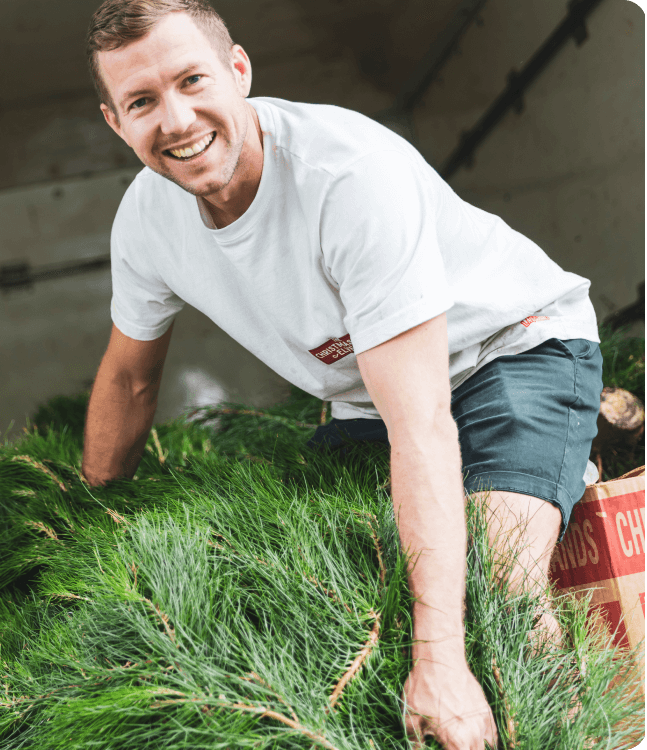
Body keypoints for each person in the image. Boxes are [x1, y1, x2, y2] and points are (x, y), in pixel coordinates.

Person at [81, 1, 603, 747]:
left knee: (495, 591)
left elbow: (421, 425)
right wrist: (81, 520)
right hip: (370, 398)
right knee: (326, 587)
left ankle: (570, 731)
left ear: (239, 71)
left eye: (192, 80)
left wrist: (440, 664)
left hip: (507, 351)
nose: (176, 118)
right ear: (115, 121)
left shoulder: (347, 177)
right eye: (142, 101)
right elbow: (130, 381)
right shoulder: (144, 223)